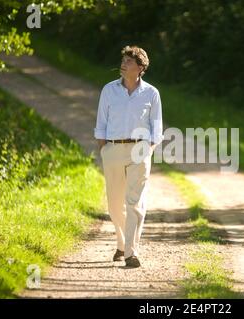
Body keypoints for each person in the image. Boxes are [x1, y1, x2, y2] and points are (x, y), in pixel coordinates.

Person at [94, 45, 163, 268]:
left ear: (140, 67)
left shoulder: (151, 93)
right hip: (113, 149)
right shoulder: (109, 90)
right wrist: (104, 148)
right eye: (123, 60)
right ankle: (121, 243)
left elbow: (156, 127)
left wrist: (149, 149)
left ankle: (131, 253)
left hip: (140, 150)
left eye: (129, 61)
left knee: (134, 202)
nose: (123, 64)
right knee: (115, 205)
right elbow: (101, 124)